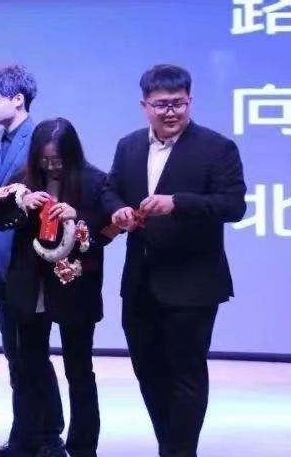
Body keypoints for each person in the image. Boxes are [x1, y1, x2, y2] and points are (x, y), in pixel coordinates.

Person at [102, 65, 246, 457]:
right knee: (148, 371)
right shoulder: (129, 146)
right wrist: (118, 210)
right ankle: (171, 447)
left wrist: (177, 203)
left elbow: (234, 206)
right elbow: (111, 189)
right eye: (162, 105)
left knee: (186, 375)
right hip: (139, 281)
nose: (171, 112)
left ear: (190, 101)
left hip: (193, 283)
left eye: (178, 103)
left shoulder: (217, 148)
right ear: (144, 106)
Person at [0, 118, 109, 457]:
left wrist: (78, 216)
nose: (51, 166)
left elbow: (107, 229)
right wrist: (20, 202)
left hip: (74, 287)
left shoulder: (95, 180)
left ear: (71, 154)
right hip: (32, 285)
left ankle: (82, 448)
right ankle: (25, 442)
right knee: (28, 368)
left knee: (79, 370)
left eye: (58, 159)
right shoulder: (23, 178)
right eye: (45, 159)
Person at [0, 65, 65, 457]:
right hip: (2, 258)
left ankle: (48, 434)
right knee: (15, 352)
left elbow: (47, 193)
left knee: (33, 353)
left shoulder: (42, 138)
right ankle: (25, 433)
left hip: (31, 258)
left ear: (19, 99)